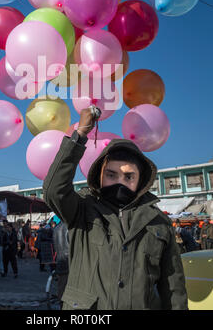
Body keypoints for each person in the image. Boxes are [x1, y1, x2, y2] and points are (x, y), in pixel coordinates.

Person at [43, 107, 188, 310]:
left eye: (129, 176)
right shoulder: (82, 210)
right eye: (111, 175)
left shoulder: (159, 223)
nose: (119, 182)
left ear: (141, 180)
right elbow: (53, 191)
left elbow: (174, 288)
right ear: (99, 175)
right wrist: (79, 136)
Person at [53, 221, 69, 307]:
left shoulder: (56, 228)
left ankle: (61, 304)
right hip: (69, 261)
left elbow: (55, 246)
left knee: (61, 286)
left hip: (60, 260)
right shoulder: (70, 227)